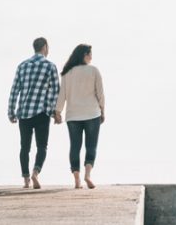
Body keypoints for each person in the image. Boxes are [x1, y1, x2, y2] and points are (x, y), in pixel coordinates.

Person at [8, 37, 60, 189]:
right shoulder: (50, 66)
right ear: (44, 47)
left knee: (24, 147)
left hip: (24, 113)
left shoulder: (22, 66)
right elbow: (56, 91)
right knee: (42, 146)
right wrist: (55, 112)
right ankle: (35, 173)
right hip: (42, 113)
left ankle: (25, 180)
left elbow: (14, 91)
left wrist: (11, 111)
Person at [55, 43, 106, 189]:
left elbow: (62, 95)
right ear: (83, 55)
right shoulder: (94, 71)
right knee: (91, 146)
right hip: (92, 114)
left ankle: (77, 179)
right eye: (89, 54)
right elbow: (100, 94)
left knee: (75, 146)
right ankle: (87, 175)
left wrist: (57, 112)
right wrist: (103, 110)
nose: (91, 56)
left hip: (73, 116)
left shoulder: (67, 73)